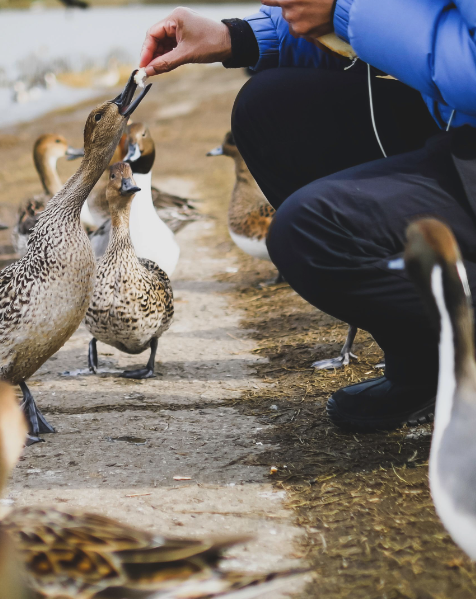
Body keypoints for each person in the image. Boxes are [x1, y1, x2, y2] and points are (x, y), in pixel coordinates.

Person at [138, 1, 476, 432]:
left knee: (309, 231)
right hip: (453, 121)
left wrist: (343, 11)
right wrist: (237, 36)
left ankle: (458, 347)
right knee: (267, 107)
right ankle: (427, 356)